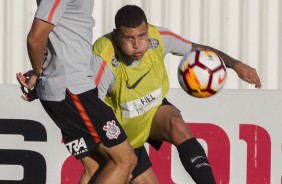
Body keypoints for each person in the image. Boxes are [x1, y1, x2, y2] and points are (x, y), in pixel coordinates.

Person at [89, 4, 262, 184]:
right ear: (116, 36)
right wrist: (116, 153)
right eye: (129, 38)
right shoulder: (104, 57)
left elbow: (198, 50)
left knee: (177, 124)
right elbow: (92, 108)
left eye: (142, 36)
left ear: (148, 29)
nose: (137, 44)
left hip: (152, 113)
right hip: (118, 130)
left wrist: (236, 65)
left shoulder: (159, 37)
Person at [16, 1, 138, 184]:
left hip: (69, 89)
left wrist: (42, 77)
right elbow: (35, 38)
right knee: (125, 160)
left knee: (96, 168)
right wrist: (39, 73)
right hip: (72, 90)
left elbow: (58, 34)